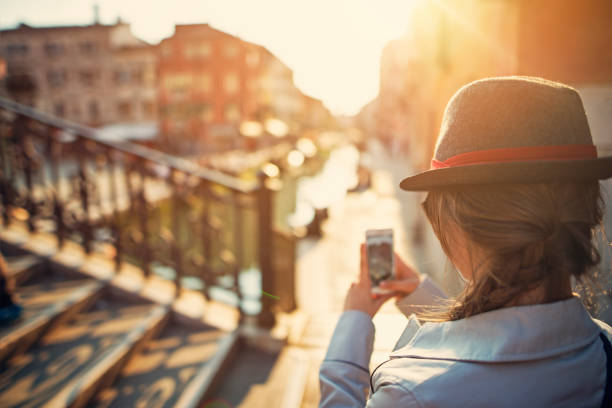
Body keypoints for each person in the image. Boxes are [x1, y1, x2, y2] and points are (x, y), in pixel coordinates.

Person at [319, 76, 612, 407]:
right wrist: (420, 294)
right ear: (587, 212)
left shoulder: (411, 394)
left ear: (459, 224)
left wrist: (353, 322)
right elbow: (501, 343)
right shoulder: (604, 346)